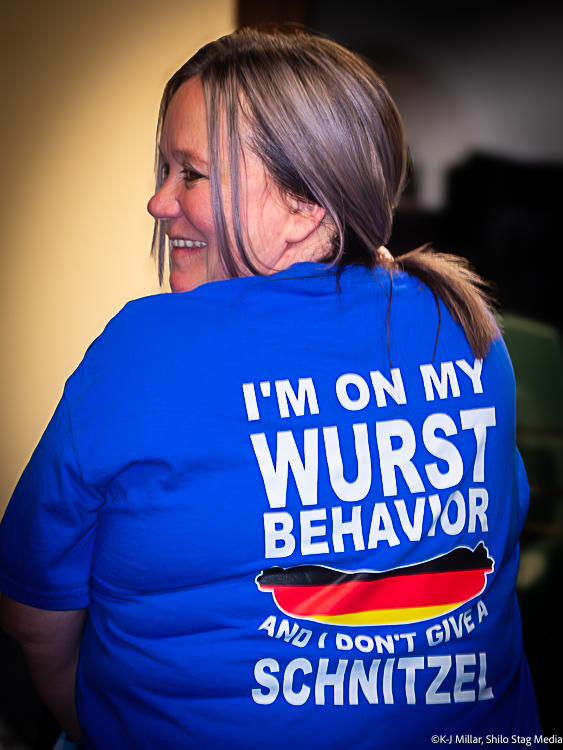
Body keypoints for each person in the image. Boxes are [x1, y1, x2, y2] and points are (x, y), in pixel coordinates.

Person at [0, 25, 541, 749]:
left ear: (304, 205)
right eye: (163, 169)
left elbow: (33, 622)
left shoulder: (147, 349)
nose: (159, 202)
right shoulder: (468, 325)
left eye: (190, 173)